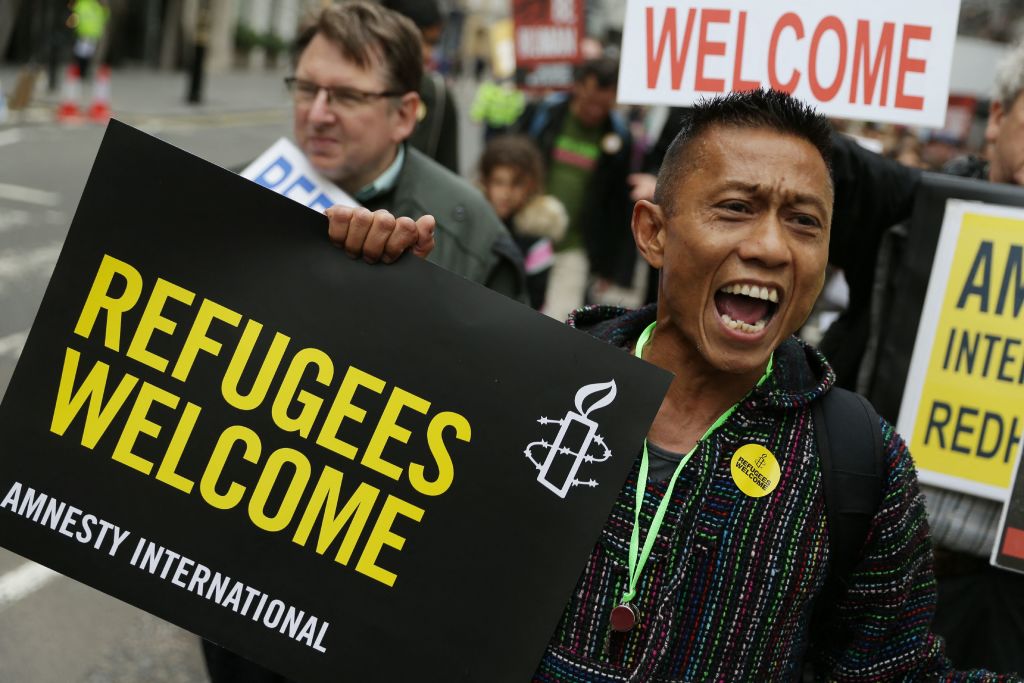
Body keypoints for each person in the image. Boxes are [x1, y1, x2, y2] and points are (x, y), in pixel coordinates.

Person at [528, 88, 1020, 681]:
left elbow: (891, 672)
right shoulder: (539, 379)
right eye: (736, 207)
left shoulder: (861, 463)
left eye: (804, 222)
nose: (770, 247)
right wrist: (388, 298)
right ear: (653, 232)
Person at [282, 1, 524, 302]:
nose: (317, 115)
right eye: (306, 89)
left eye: (347, 96)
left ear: (404, 115)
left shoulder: (474, 235)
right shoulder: (239, 186)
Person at [514, 56, 636, 319]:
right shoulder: (546, 114)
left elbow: (618, 205)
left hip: (575, 247)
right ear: (578, 87)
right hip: (527, 233)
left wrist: (609, 268)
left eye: (604, 106)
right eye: (590, 101)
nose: (594, 111)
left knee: (559, 322)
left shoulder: (619, 136)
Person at [479, 135, 567, 310]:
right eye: (499, 182)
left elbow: (536, 301)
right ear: (485, 182)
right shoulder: (474, 225)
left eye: (516, 184)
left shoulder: (536, 239)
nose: (506, 193)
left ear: (531, 186)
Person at [381, 0, 461, 174]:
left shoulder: (438, 96)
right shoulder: (346, 86)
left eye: (432, 43)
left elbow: (448, 176)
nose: (427, 53)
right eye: (421, 40)